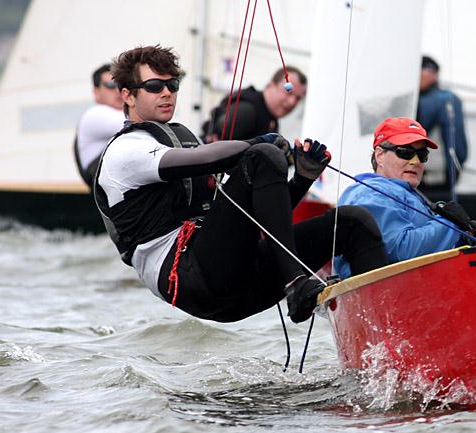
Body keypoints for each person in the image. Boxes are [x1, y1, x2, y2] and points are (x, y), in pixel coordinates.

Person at [95, 45, 387, 323]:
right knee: (262, 156)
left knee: (351, 223)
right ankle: (296, 283)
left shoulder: (178, 136)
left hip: (234, 274)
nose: (167, 93)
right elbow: (208, 158)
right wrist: (255, 144)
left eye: (173, 85)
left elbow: (253, 214)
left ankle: (383, 333)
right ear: (128, 95)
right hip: (189, 279)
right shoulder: (124, 151)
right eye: (155, 86)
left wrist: (302, 178)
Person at [334, 117, 476, 279]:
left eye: (422, 154)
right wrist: (451, 224)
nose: (415, 161)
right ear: (379, 155)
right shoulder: (372, 194)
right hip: (388, 297)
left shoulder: (402, 193)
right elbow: (400, 253)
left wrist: (468, 236)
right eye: (405, 152)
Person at [201, 66, 307, 143]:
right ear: (271, 85)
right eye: (288, 92)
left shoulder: (270, 120)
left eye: (298, 98)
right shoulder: (247, 111)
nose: (292, 102)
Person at [416, 56, 468, 200]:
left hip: (432, 178)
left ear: (432, 74)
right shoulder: (450, 98)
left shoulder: (439, 100)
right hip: (440, 176)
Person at [74, 63, 126, 188]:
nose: (118, 91)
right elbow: (142, 124)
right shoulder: (95, 114)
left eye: (122, 85)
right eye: (110, 85)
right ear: (96, 92)